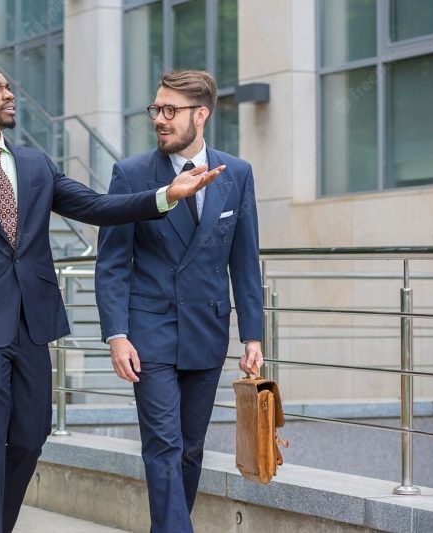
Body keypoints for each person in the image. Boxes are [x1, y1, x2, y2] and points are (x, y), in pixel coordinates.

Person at [0, 66, 223, 533]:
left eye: (10, 86)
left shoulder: (36, 164)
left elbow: (96, 206)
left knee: (31, 437)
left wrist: (163, 196)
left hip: (34, 325)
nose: (10, 94)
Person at [95, 69, 264, 533]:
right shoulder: (131, 173)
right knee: (163, 445)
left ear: (201, 114)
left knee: (190, 447)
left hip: (207, 331)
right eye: (156, 109)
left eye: (171, 110)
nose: (160, 119)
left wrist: (253, 334)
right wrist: (117, 334)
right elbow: (111, 262)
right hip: (149, 332)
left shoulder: (238, 173)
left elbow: (245, 262)